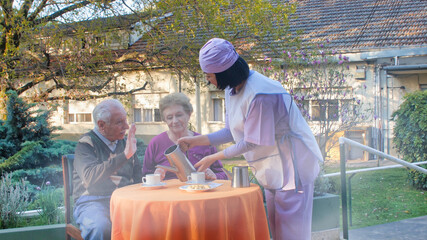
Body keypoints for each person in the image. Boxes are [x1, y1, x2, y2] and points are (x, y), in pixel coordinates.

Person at [177, 38, 323, 240]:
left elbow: (252, 141)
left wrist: (213, 157)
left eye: (209, 76)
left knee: (291, 233)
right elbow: (231, 132)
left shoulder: (260, 94)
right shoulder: (232, 90)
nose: (208, 80)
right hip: (273, 167)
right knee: (277, 229)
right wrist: (195, 140)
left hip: (293, 167)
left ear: (223, 72)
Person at [73, 99, 142, 240]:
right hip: (92, 202)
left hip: (125, 201)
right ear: (101, 125)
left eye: (125, 121)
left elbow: (138, 177)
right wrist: (125, 155)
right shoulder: (86, 144)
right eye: (119, 122)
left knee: (149, 223)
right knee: (101, 227)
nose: (126, 126)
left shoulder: (125, 143)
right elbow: (90, 177)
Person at [143, 92, 227, 181]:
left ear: (189, 115)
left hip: (199, 193)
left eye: (179, 115)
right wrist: (155, 176)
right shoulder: (156, 143)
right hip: (167, 194)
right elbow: (145, 175)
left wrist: (213, 176)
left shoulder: (204, 142)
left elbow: (222, 174)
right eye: (169, 117)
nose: (175, 121)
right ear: (165, 120)